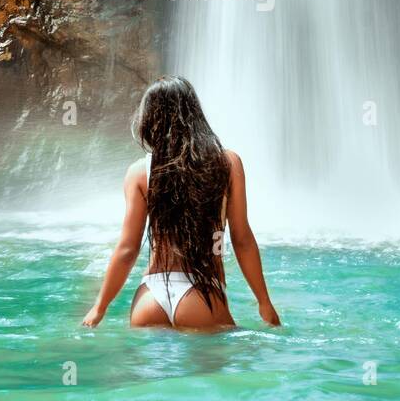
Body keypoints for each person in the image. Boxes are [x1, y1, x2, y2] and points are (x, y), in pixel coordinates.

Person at [82, 76, 281, 330]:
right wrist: (264, 301)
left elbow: (127, 249)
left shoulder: (140, 172)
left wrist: (100, 307)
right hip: (202, 294)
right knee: (214, 368)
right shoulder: (227, 164)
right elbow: (242, 239)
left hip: (150, 297)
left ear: (149, 118)